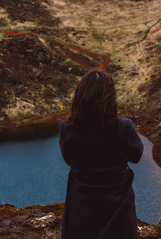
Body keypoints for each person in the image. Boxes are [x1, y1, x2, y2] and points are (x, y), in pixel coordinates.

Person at [59, 69, 143, 239]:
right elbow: (136, 155)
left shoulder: (67, 129)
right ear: (110, 98)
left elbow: (68, 160)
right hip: (118, 212)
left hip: (81, 211)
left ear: (79, 98)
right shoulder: (124, 128)